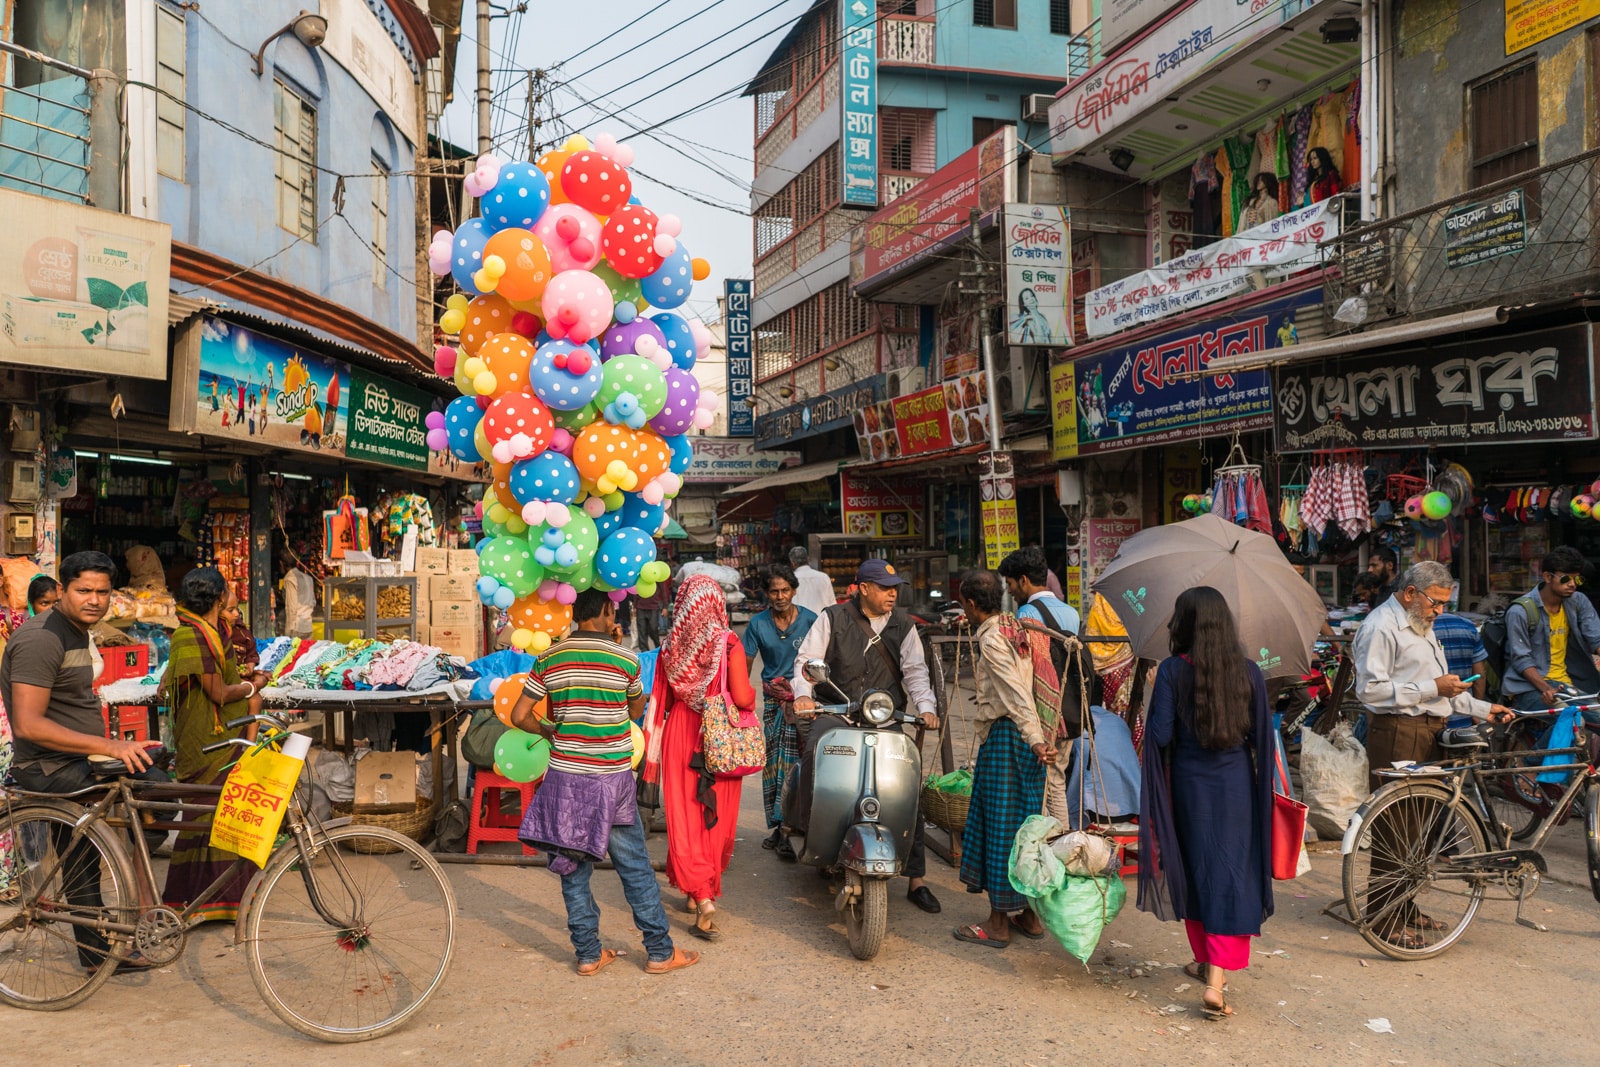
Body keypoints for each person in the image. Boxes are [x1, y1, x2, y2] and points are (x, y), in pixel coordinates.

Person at [508, 588, 698, 976]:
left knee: (571, 867)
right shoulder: (625, 659)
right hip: (612, 780)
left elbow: (519, 714)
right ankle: (660, 952)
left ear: (577, 614)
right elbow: (635, 709)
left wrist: (548, 730)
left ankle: (588, 954)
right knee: (635, 868)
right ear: (607, 611)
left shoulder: (549, 658)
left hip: (565, 780)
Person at [2, 551, 168, 972]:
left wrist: (114, 744)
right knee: (154, 790)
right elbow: (28, 724)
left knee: (91, 850)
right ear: (62, 591)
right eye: (83, 590)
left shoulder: (78, 631)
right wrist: (110, 748)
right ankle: (133, 906)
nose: (94, 600)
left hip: (76, 757)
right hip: (48, 769)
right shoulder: (43, 639)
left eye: (102, 592)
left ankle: (97, 952)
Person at [1351, 562, 1512, 949]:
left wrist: (1481, 707)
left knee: (1421, 828)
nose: (1440, 611)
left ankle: (1404, 907)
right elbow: (1370, 691)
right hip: (1398, 733)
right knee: (1396, 826)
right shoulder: (1381, 627)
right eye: (1435, 602)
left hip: (1431, 730)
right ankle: (1384, 918)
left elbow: (1442, 689)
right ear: (1410, 593)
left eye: (1443, 603)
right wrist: (1430, 686)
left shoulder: (1421, 625)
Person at [1137, 586, 1274, 1019]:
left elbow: (1158, 738)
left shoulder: (1173, 672)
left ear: (1186, 624)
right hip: (1236, 788)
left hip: (1188, 789)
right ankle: (1215, 977)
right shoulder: (1249, 672)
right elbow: (1261, 739)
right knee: (1232, 874)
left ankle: (1209, 967)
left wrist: (1152, 691)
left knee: (1198, 870)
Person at [791, 558, 942, 913]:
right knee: (815, 756)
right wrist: (803, 694)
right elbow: (807, 661)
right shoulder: (833, 617)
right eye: (885, 588)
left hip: (884, 715)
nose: (893, 594)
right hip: (836, 711)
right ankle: (807, 835)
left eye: (895, 588)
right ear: (863, 588)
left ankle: (916, 878)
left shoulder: (904, 625)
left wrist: (926, 708)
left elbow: (915, 672)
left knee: (908, 786)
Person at [161, 568, 269, 922]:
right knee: (205, 817)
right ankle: (193, 900)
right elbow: (219, 692)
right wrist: (253, 687)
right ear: (219, 597)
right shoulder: (190, 635)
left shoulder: (211, 631)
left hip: (221, 734)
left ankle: (227, 900)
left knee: (226, 816)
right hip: (205, 740)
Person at [952, 571, 1052, 948]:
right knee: (1025, 824)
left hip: (1011, 738)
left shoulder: (995, 638)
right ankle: (1027, 914)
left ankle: (997, 923)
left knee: (1000, 826)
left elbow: (1014, 693)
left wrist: (1035, 739)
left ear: (972, 605)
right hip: (1029, 736)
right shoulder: (1017, 626)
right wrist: (1041, 736)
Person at [656, 575, 757, 940]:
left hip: (682, 733)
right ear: (717, 603)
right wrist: (751, 701)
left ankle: (696, 891)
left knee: (685, 816)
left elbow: (665, 701)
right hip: (720, 736)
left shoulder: (671, 647)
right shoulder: (728, 643)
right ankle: (704, 893)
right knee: (715, 818)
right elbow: (743, 698)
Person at [741, 564, 817, 860]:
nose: (780, 595)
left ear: (794, 591)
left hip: (804, 702)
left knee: (798, 765)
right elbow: (745, 665)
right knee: (774, 766)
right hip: (773, 704)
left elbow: (820, 662)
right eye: (774, 591)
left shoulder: (811, 620)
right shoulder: (758, 624)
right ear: (766, 594)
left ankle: (791, 828)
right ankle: (779, 826)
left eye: (785, 590)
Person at [1503, 546, 1600, 709]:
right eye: (1565, 579)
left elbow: (1596, 639)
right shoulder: (1520, 611)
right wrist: (1547, 689)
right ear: (1548, 577)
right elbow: (1521, 659)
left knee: (1581, 721)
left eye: (1577, 580)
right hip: (1530, 687)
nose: (1572, 585)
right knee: (1578, 719)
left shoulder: (1578, 602)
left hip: (1571, 683)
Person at [1001, 546, 1080, 634]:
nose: (1009, 591)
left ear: (1023, 580)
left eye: (1010, 584)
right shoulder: (1072, 613)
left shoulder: (1026, 613)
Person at [1433, 613, 1488, 701]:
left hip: (1432, 706)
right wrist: (1478, 709)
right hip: (1466, 706)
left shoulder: (1420, 627)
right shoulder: (1468, 625)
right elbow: (1480, 675)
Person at [788, 545, 837, 616]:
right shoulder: (823, 577)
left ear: (792, 563)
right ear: (808, 559)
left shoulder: (790, 579)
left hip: (800, 623)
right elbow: (832, 605)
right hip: (821, 622)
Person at [634, 569, 671, 651]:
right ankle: (644, 651)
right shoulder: (641, 576)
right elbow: (636, 591)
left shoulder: (656, 577)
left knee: (653, 629)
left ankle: (658, 648)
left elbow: (663, 592)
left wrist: (665, 607)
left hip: (653, 607)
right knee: (642, 631)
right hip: (640, 606)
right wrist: (635, 606)